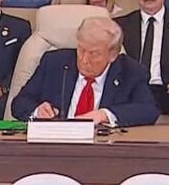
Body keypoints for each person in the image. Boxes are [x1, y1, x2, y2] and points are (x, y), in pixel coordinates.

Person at [11, 17, 159, 127]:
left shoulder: (130, 71)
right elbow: (19, 103)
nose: (84, 60)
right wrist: (37, 111)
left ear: (113, 54)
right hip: (56, 146)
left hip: (103, 150)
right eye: (81, 50)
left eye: (94, 54)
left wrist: (104, 115)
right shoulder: (54, 63)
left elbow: (149, 110)